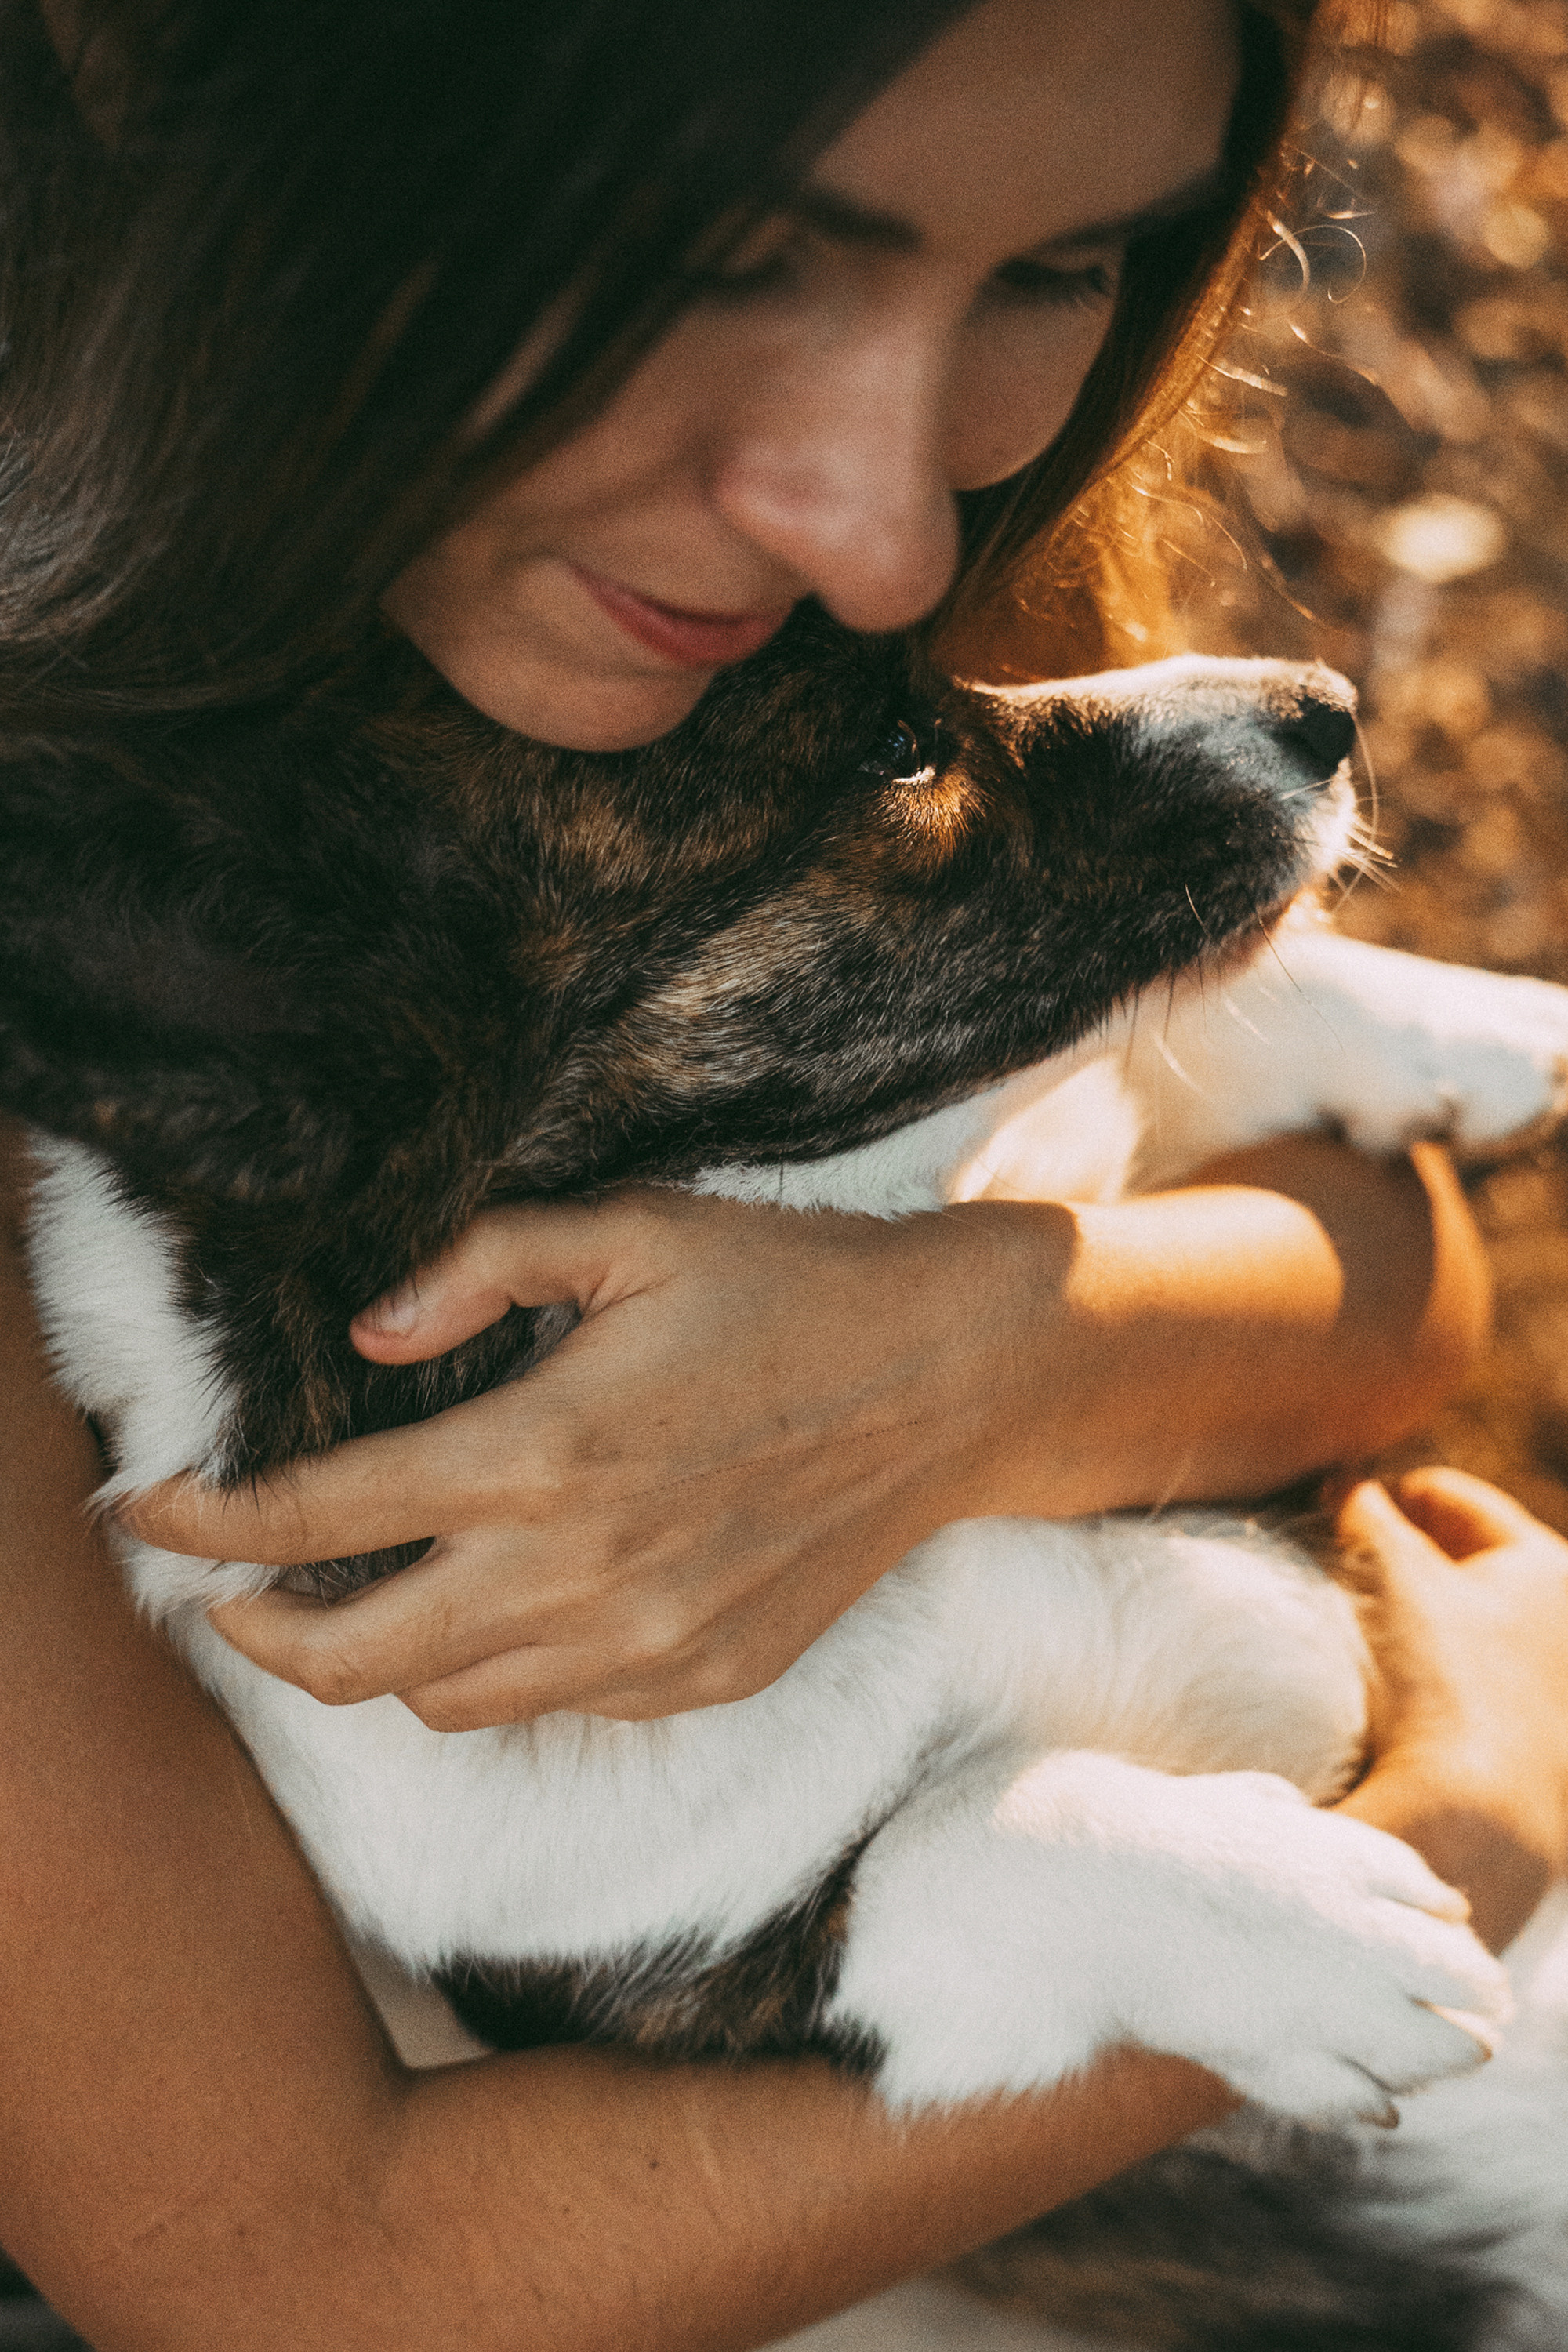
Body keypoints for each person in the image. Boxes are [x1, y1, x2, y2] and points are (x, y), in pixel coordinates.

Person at [2, 0, 1566, 2345]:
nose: (891, 523)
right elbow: (276, 2274)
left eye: (1067, 265)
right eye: (724, 253)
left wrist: (960, 1360)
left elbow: (1410, 1284)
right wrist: (1472, 1813)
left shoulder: (741, 584)